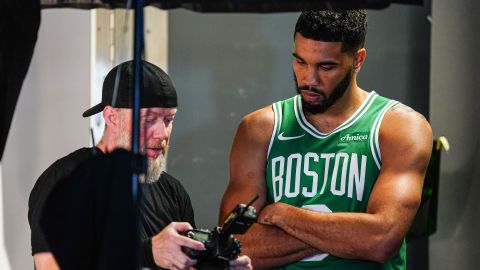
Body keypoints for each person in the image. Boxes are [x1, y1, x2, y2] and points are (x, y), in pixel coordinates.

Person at [219, 10, 432, 270]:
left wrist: (283, 214)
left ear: (358, 60)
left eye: (326, 66)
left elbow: (380, 241)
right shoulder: (259, 129)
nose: (309, 79)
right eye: (300, 62)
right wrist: (349, 234)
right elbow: (232, 247)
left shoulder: (399, 127)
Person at [28, 60, 252, 270]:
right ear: (112, 117)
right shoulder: (67, 180)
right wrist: (146, 252)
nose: (162, 134)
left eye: (168, 120)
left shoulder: (172, 192)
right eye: (148, 120)